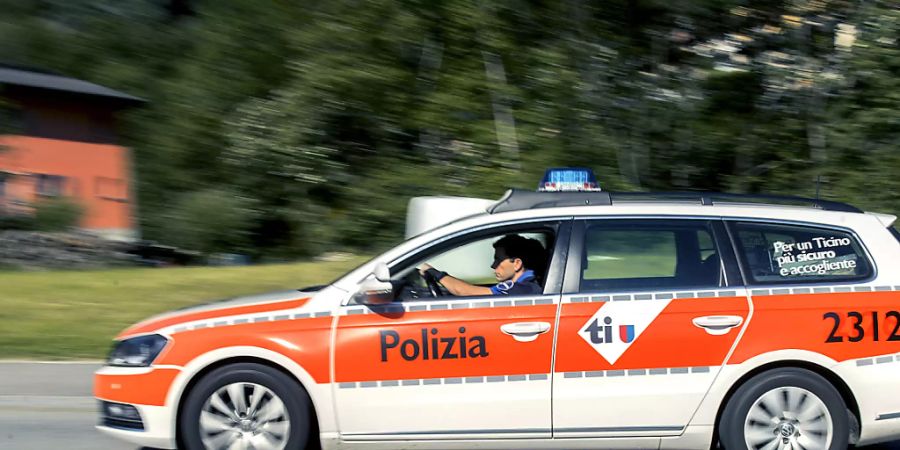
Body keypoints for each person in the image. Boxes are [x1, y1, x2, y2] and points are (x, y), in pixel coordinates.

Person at [419, 234, 544, 297]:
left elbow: (464, 291)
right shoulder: (527, 285)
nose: (493, 265)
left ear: (517, 264)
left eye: (498, 260)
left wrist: (435, 273)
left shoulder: (522, 288)